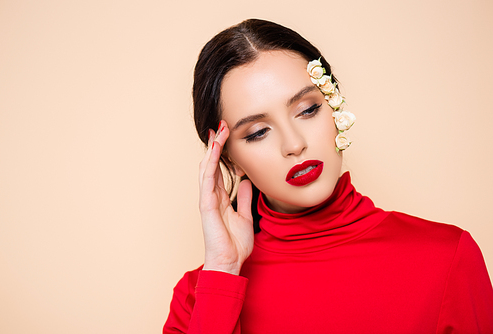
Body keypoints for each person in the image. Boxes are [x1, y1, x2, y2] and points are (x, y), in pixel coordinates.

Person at [163, 19, 493, 333]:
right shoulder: (198, 297)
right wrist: (223, 272)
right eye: (258, 132)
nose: (294, 144)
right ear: (227, 158)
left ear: (336, 106)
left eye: (307, 110)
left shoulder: (447, 259)